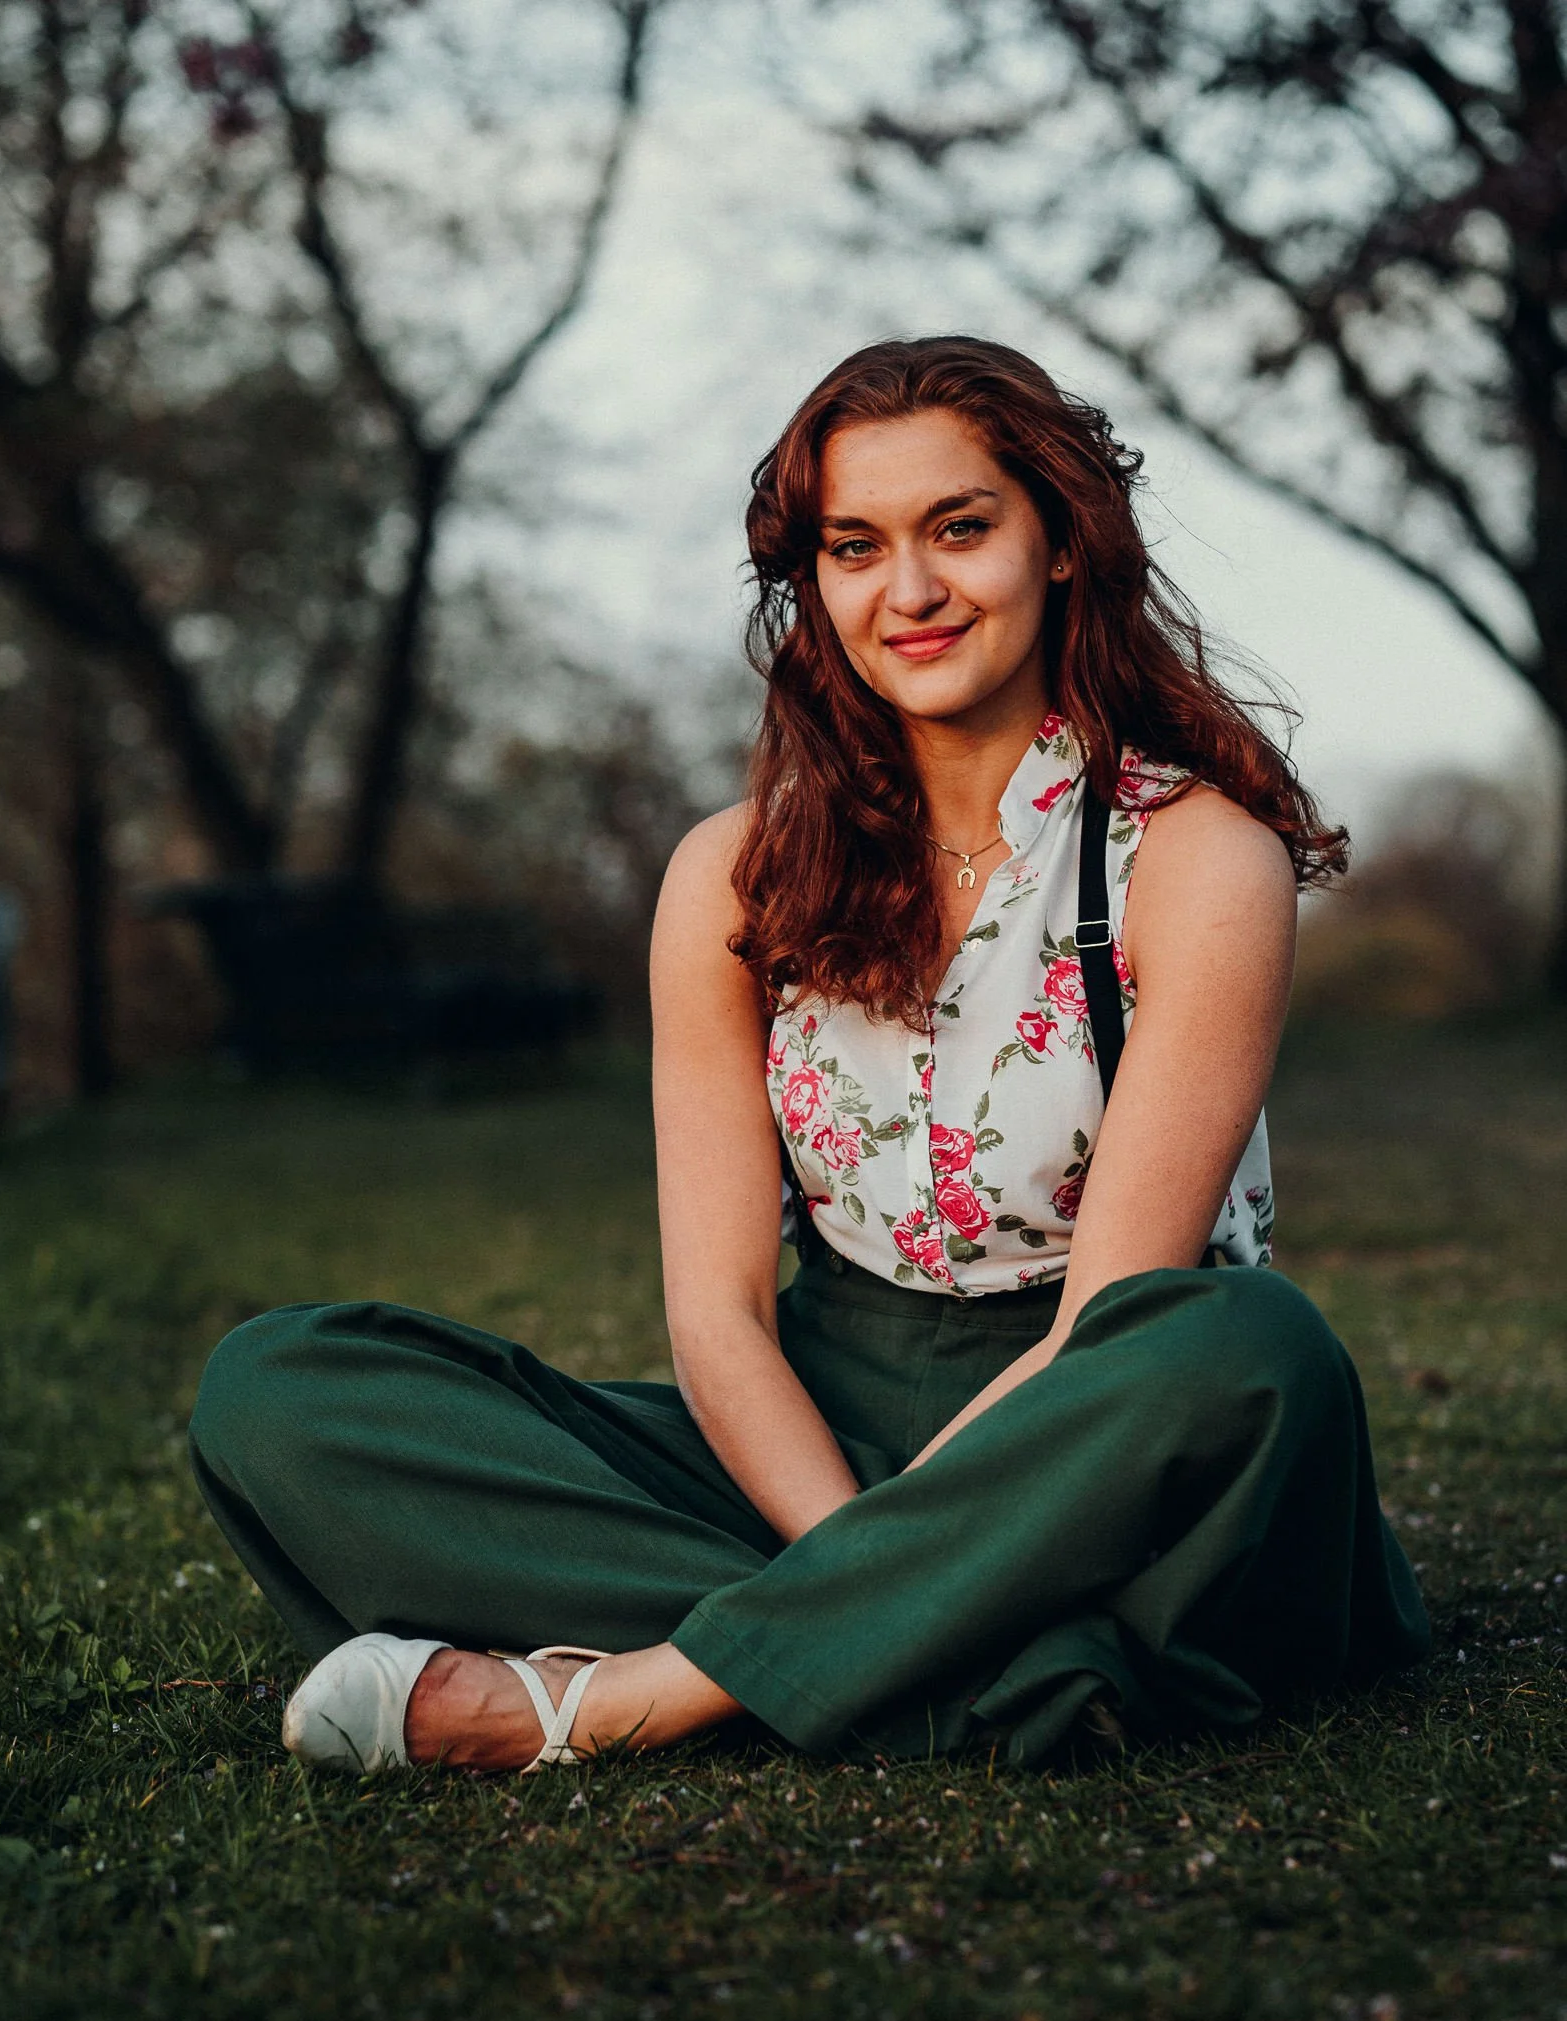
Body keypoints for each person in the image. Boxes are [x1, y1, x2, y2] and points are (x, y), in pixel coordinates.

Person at [188, 336, 1429, 1775]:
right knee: (277, 1388)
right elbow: (717, 1320)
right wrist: (872, 1573)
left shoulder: (1193, 854)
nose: (907, 592)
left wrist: (887, 1574)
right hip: (817, 1440)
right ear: (813, 579)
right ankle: (1004, 1669)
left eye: (959, 529)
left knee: (1251, 1349)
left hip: (1113, 1434)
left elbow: (1119, 1314)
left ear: (1063, 545)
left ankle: (619, 1700)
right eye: (855, 547)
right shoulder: (731, 878)